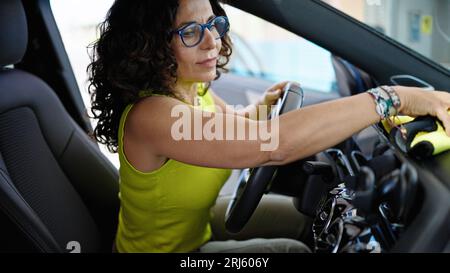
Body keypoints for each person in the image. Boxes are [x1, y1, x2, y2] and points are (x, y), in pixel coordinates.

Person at [87, 0, 450, 253]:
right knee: (293, 250)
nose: (213, 41)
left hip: (198, 227)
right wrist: (392, 99)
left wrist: (261, 108)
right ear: (149, 46)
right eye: (191, 32)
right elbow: (273, 143)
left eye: (213, 24)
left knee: (305, 219)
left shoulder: (191, 90)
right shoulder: (153, 117)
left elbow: (234, 126)